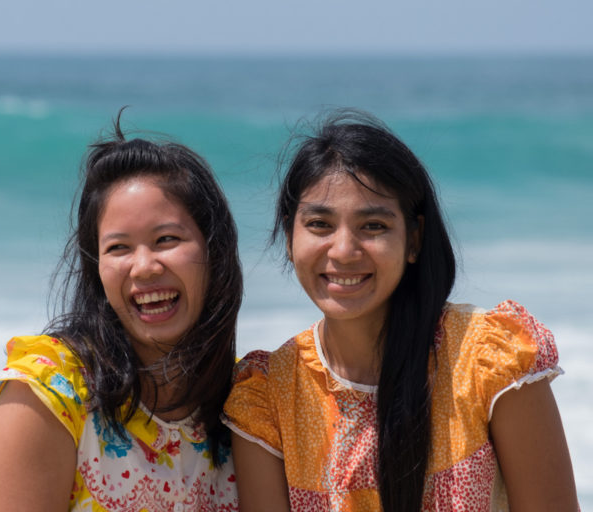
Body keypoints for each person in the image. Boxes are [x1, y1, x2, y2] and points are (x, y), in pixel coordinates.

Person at [223, 110, 578, 511]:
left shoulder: (487, 359)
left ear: (414, 240)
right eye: (320, 224)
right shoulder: (268, 397)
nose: (343, 250)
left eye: (373, 226)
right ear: (290, 238)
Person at [0, 114, 242, 511]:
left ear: (214, 251)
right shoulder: (47, 396)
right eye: (119, 248)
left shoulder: (245, 403)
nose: (144, 267)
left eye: (166, 239)